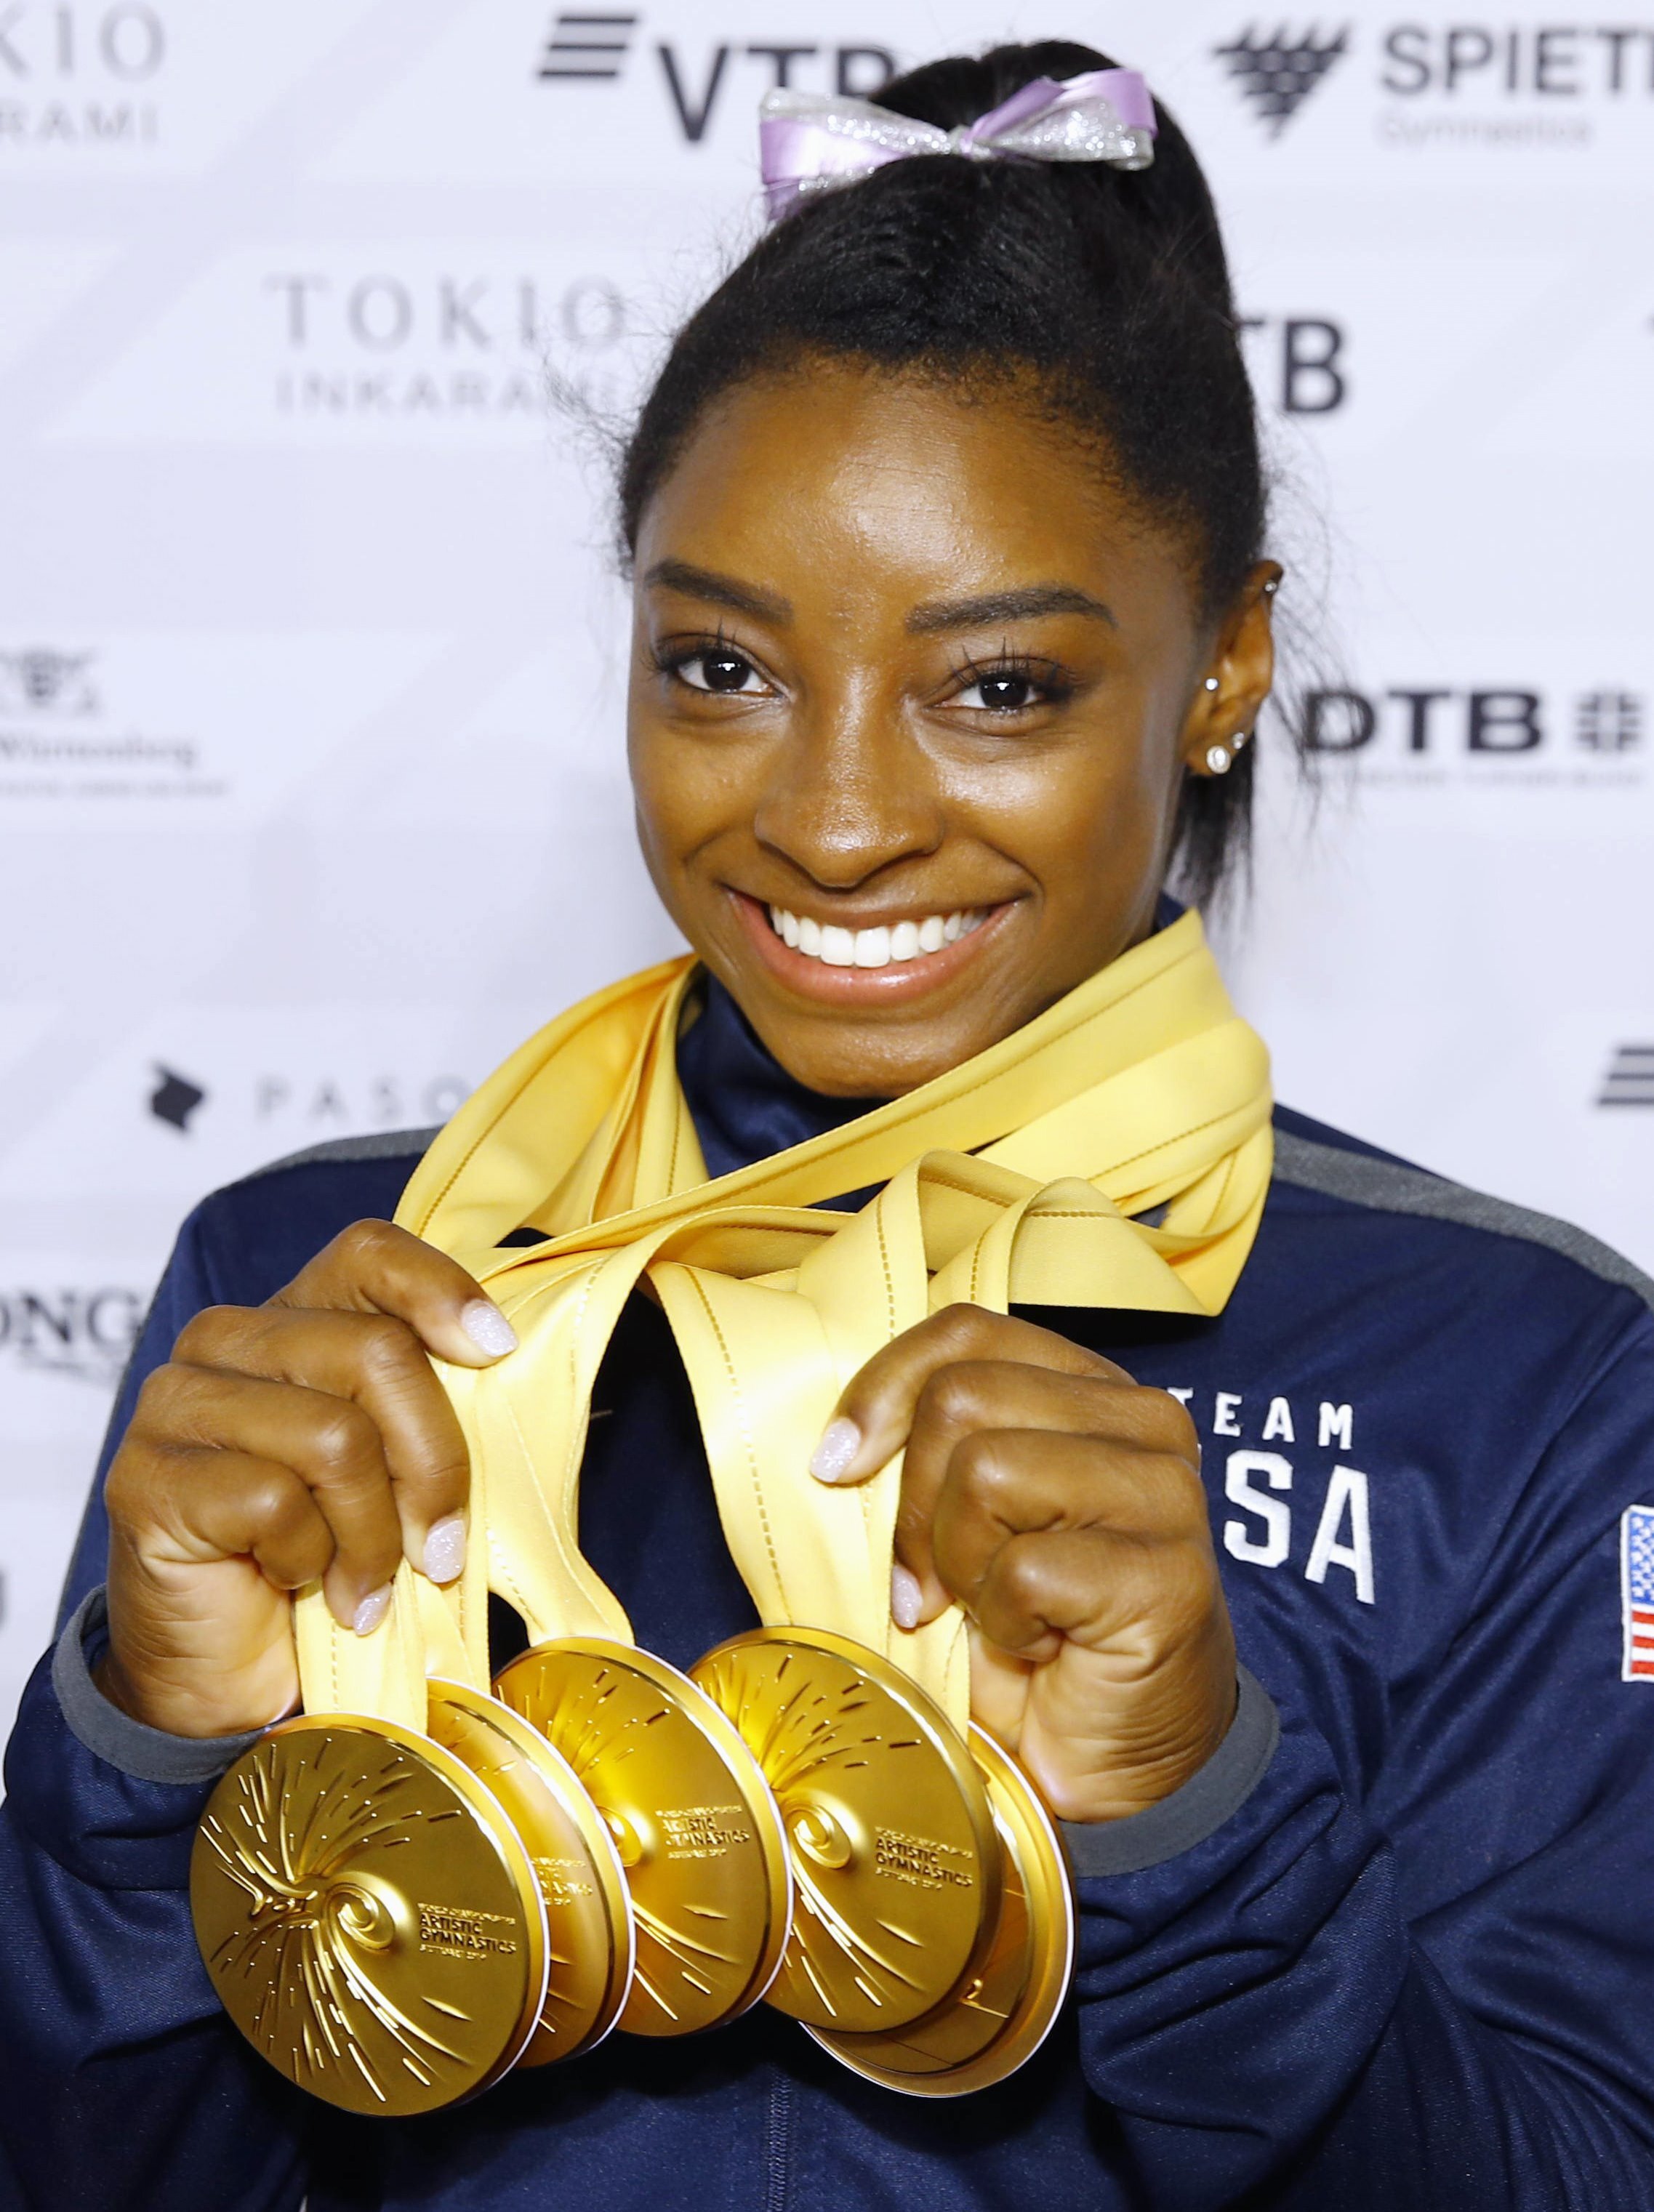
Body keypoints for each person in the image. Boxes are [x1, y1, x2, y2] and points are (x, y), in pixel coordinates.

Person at [3, 36, 1651, 2212]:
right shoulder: (320, 1288)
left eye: (995, 687)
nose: (837, 818)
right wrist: (151, 1753)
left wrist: (1189, 1814)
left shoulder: (1516, 1370)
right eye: (721, 670)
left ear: (1227, 664)